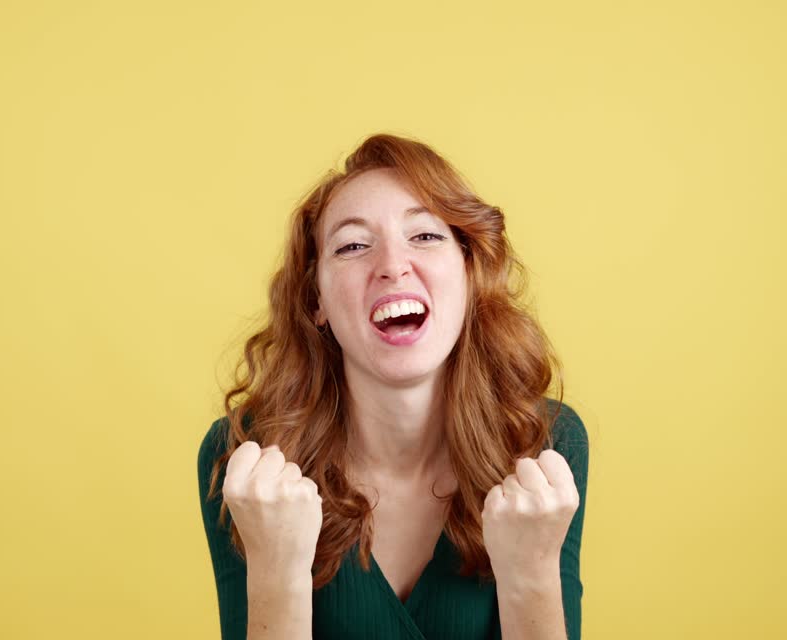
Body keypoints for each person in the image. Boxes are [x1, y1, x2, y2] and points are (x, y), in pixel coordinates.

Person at [198, 133, 589, 640]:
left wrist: (531, 574)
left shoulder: (544, 443)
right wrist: (276, 572)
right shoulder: (243, 460)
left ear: (469, 273)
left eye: (424, 236)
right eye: (354, 245)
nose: (392, 265)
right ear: (316, 300)